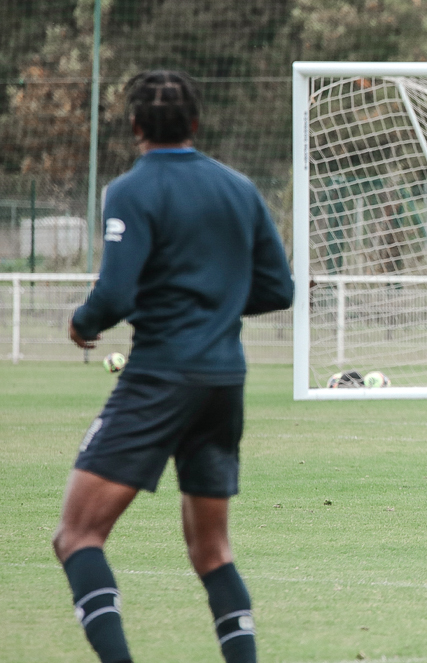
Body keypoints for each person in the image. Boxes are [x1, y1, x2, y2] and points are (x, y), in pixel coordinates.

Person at [53, 70, 295, 663]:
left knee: (77, 536)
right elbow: (279, 289)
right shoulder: (238, 188)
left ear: (134, 126)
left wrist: (83, 324)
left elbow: (112, 294)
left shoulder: (130, 191)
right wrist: (215, 302)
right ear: (195, 124)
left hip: (161, 376)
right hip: (224, 383)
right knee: (212, 552)